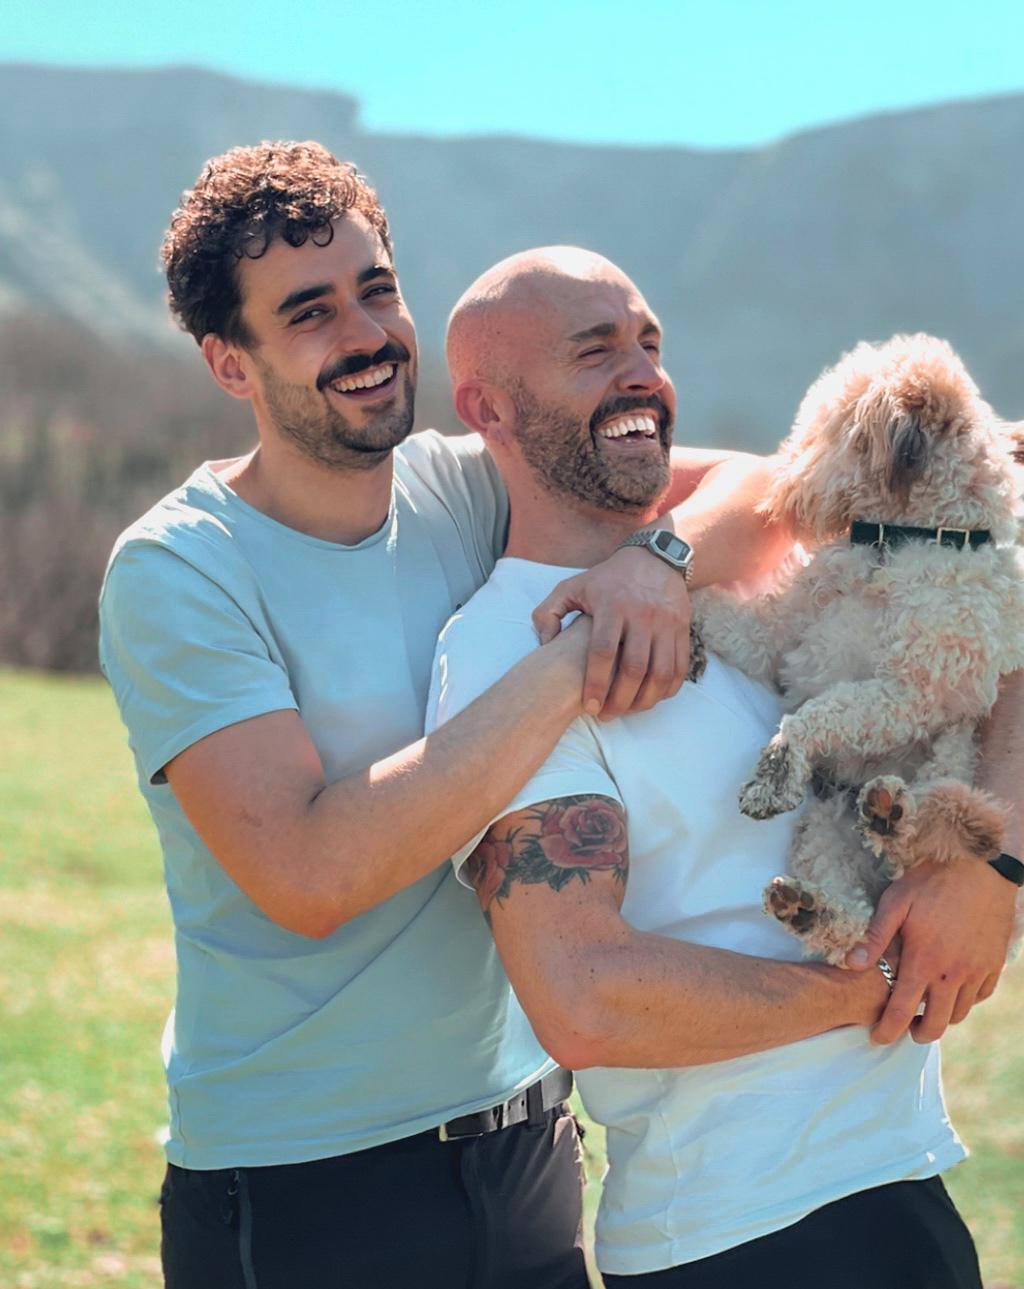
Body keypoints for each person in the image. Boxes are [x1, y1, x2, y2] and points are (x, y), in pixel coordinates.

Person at [97, 141, 822, 1289]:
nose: (367, 335)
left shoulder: (465, 481)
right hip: (308, 1189)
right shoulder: (180, 569)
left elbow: (782, 484)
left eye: (375, 289)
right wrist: (586, 645)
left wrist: (662, 561)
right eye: (309, 313)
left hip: (527, 1149)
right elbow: (311, 871)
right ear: (230, 364)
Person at [427, 246, 1024, 1286]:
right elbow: (584, 999)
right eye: (594, 352)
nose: (641, 373)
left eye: (649, 343)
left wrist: (983, 870)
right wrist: (877, 985)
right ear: (489, 411)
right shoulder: (506, 648)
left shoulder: (727, 570)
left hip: (896, 1176)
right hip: (736, 1231)